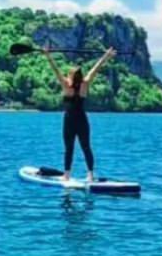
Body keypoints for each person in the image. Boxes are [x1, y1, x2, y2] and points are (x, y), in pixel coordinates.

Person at [41, 46, 116, 183]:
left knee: (69, 148)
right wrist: (106, 56)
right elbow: (95, 69)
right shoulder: (85, 84)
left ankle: (67, 175)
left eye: (68, 75)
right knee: (86, 147)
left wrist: (47, 55)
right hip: (82, 120)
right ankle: (90, 175)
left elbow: (55, 70)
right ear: (80, 77)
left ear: (70, 76)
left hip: (69, 121)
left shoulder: (66, 86)